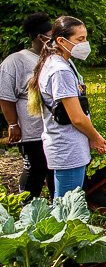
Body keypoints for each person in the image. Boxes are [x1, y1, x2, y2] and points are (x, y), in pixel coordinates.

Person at [26, 16, 106, 199]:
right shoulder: (60, 70)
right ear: (62, 41)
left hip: (68, 144)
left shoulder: (62, 61)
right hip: (68, 148)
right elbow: (76, 117)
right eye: (80, 39)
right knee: (66, 207)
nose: (84, 44)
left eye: (85, 38)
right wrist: (95, 138)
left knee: (65, 201)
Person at [0, 13, 55, 198]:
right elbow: (6, 97)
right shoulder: (16, 61)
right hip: (31, 129)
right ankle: (27, 208)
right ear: (41, 37)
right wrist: (13, 124)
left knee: (53, 169)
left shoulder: (55, 58)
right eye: (52, 36)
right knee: (35, 169)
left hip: (54, 128)